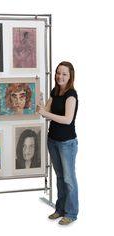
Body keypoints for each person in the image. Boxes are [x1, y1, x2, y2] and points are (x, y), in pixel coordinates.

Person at [37, 61, 79, 225]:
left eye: (64, 74)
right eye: (58, 73)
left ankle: (72, 212)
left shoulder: (71, 95)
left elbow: (67, 120)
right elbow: (45, 114)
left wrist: (45, 112)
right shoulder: (55, 91)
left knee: (69, 179)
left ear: (70, 77)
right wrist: (40, 105)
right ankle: (60, 209)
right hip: (53, 140)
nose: (60, 76)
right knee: (60, 177)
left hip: (67, 143)